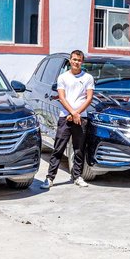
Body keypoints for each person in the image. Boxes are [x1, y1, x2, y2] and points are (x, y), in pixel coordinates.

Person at [41, 50, 94, 190]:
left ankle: (77, 176)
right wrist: (72, 113)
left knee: (79, 149)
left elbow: (89, 98)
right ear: (70, 60)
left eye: (79, 60)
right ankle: (50, 178)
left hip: (81, 118)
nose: (76, 62)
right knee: (58, 148)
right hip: (65, 117)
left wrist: (77, 114)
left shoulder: (88, 78)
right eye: (74, 59)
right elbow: (62, 97)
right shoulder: (63, 77)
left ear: (82, 62)